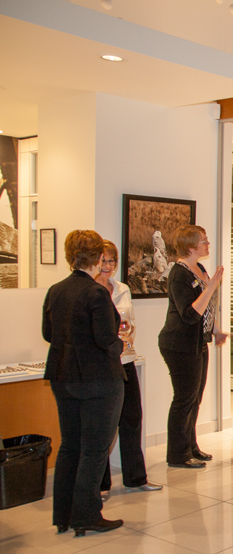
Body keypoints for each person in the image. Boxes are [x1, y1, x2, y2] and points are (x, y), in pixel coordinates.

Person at [42, 230, 126, 536]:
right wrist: (122, 343)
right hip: (98, 379)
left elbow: (48, 334)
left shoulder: (56, 290)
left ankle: (64, 515)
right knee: (94, 450)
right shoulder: (95, 293)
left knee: (70, 447)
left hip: (63, 376)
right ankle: (87, 514)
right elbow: (106, 339)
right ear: (97, 257)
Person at [95, 241, 162, 495]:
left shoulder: (122, 288)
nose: (108, 266)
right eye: (103, 261)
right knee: (104, 425)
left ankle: (135, 477)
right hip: (103, 365)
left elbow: (129, 321)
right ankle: (100, 484)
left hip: (126, 359)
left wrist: (127, 335)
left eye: (112, 261)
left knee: (132, 418)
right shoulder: (90, 290)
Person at [159, 225, 227, 469]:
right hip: (178, 343)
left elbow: (207, 307)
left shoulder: (199, 268)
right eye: (203, 241)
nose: (208, 244)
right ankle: (177, 454)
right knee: (184, 399)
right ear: (190, 246)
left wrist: (216, 330)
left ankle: (191, 446)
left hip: (198, 341)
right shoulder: (179, 274)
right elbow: (189, 314)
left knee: (195, 398)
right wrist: (210, 287)